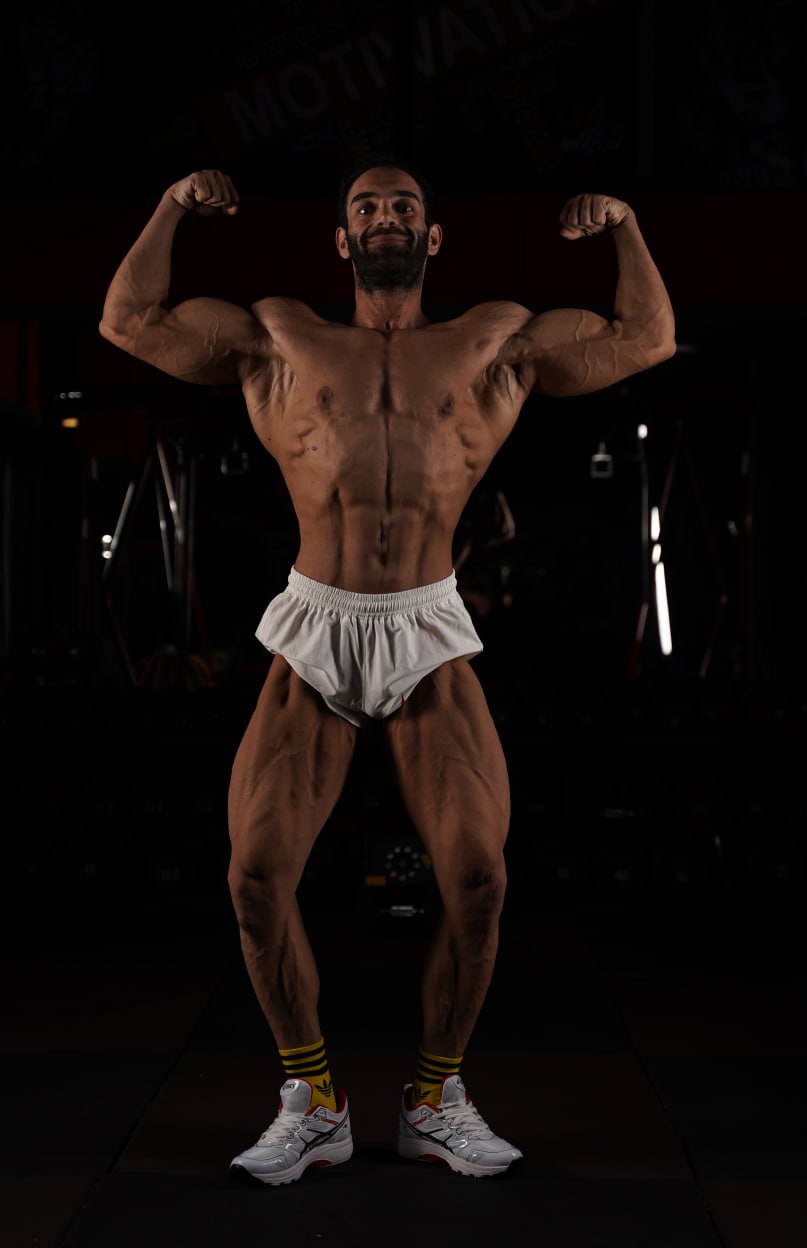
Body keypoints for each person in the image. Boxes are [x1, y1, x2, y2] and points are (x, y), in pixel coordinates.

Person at [99, 158, 676, 1184]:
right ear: (341, 238)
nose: (384, 217)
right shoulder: (280, 335)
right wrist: (171, 204)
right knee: (254, 876)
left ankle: (434, 1097)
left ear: (432, 235)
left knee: (480, 878)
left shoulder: (492, 339)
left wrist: (625, 223)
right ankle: (313, 1100)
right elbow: (129, 322)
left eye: (403, 205)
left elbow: (646, 339)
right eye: (365, 207)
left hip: (425, 622)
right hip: (317, 619)